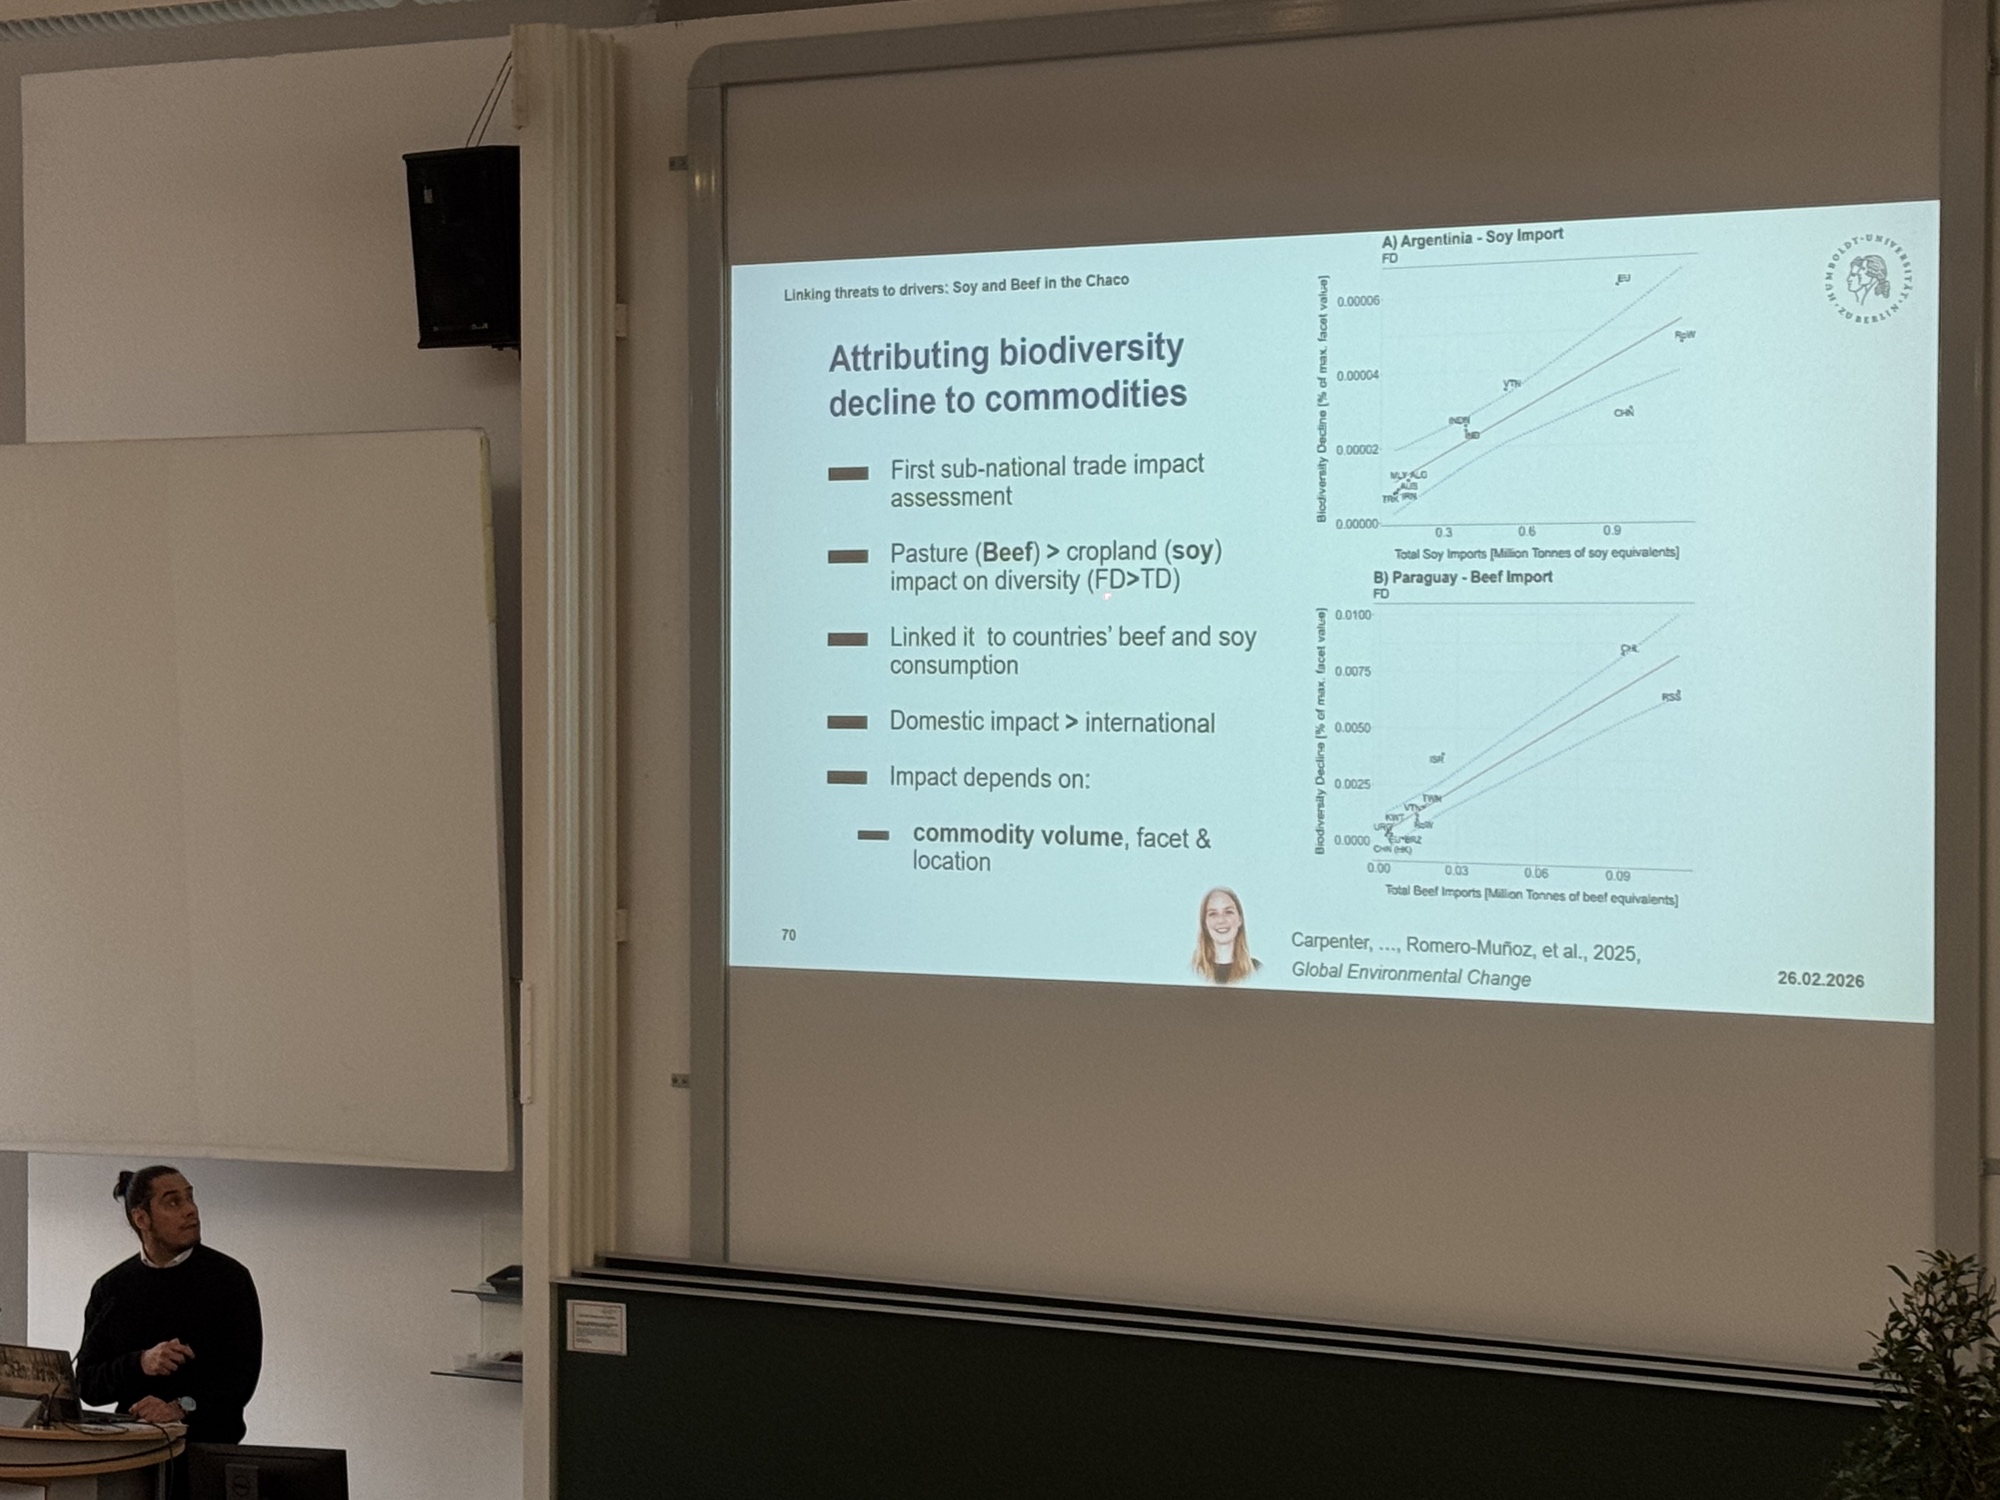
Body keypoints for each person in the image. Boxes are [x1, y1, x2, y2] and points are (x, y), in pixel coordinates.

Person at [76, 1166, 262, 1445]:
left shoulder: (229, 1278)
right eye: (173, 1202)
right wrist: (141, 1362)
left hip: (205, 1449)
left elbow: (241, 1378)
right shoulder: (112, 1288)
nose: (191, 1210)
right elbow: (88, 1385)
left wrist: (178, 1407)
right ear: (142, 1218)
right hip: (131, 1451)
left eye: (190, 1198)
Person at [1190, 887, 1260, 985]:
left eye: (1228, 912)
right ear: (1204, 923)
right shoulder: (1192, 971)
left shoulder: (1257, 970)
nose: (1221, 920)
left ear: (1240, 919)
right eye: (1213, 914)